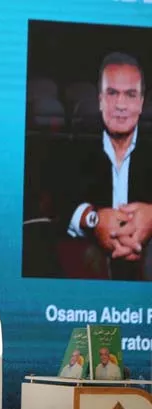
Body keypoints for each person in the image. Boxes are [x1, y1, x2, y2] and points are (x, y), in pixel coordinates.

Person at [60, 51, 152, 280]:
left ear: (141, 102)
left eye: (130, 95)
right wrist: (94, 220)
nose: (120, 105)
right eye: (112, 93)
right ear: (100, 99)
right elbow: (56, 205)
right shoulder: (73, 144)